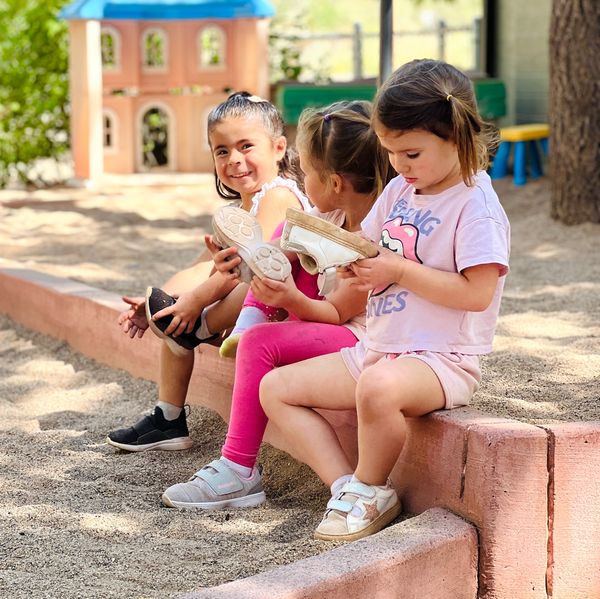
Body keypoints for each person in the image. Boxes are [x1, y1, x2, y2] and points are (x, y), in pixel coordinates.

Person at [259, 59, 511, 542]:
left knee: (377, 389)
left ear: (457, 137)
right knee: (275, 388)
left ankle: (372, 488)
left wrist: (397, 270)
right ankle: (346, 488)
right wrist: (331, 256)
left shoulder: (475, 206)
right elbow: (368, 249)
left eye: (411, 153)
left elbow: (478, 294)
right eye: (392, 152)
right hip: (380, 347)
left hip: (441, 360)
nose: (398, 165)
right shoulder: (399, 189)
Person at [159, 99, 396, 509]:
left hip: (359, 337)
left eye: (308, 173)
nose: (302, 183)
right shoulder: (328, 219)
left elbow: (337, 314)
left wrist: (290, 298)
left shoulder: (371, 245)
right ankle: (250, 321)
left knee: (257, 345)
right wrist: (240, 260)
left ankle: (238, 468)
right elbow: (273, 254)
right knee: (287, 244)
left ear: (335, 183)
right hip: (327, 324)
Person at [107, 91, 313, 452]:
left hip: (286, 309)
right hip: (249, 314)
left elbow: (249, 267)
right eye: (221, 151)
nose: (234, 159)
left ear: (278, 148)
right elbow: (204, 265)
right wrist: (157, 304)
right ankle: (168, 418)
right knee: (174, 311)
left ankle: (197, 328)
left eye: (246, 146)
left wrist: (194, 305)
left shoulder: (279, 196)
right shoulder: (239, 208)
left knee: (243, 284)